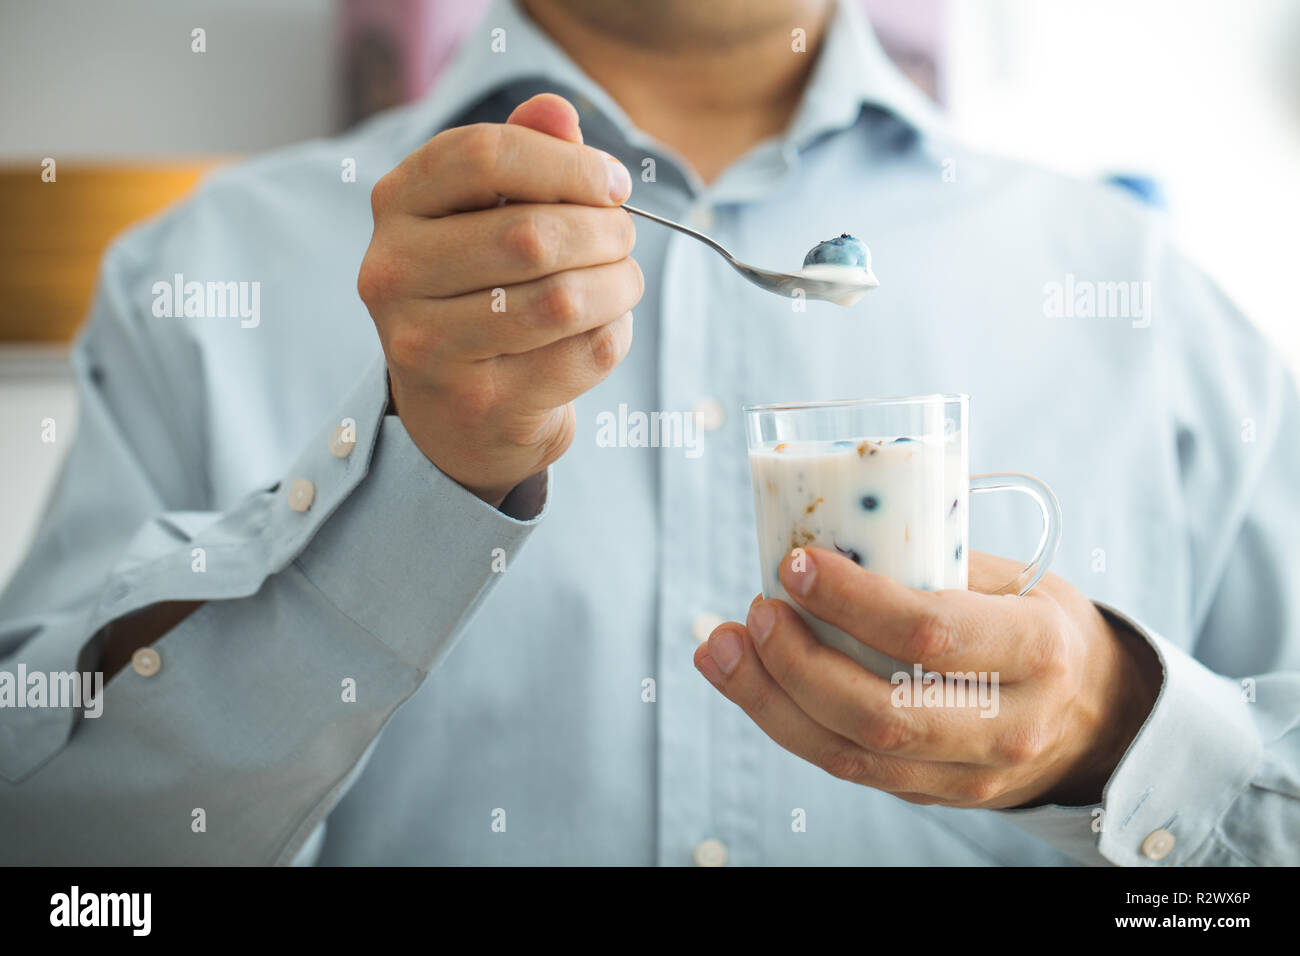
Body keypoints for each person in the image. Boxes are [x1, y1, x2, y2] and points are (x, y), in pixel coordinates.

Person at [1, 0, 1296, 866]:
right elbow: (58, 857)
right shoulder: (196, 275)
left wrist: (1124, 737)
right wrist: (406, 484)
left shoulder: (1147, 296)